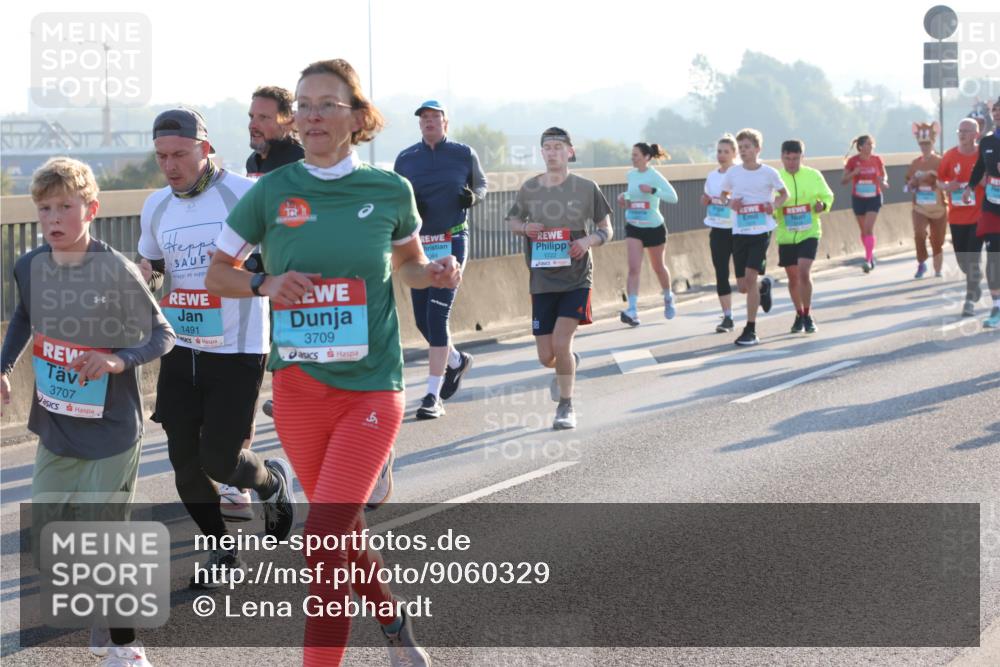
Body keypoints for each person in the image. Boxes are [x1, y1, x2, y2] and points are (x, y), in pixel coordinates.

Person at [205, 58, 449, 667]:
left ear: (357, 117)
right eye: (304, 105)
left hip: (370, 389)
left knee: (321, 538)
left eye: (327, 104)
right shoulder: (272, 191)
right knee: (340, 536)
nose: (313, 115)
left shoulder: (389, 190)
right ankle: (395, 627)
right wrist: (266, 284)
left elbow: (409, 266)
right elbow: (217, 275)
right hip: (299, 391)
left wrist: (435, 273)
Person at [1, 157, 176, 667]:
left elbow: (163, 335)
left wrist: (117, 359)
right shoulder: (30, 265)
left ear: (91, 210)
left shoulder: (116, 270)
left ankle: (125, 645)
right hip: (55, 426)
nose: (53, 218)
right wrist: (4, 364)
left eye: (66, 207)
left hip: (112, 431)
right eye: (44, 208)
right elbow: (24, 315)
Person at [137, 107, 297, 589]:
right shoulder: (156, 206)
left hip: (238, 346)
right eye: (162, 156)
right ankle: (221, 551)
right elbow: (153, 266)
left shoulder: (246, 195)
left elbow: (284, 258)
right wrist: (143, 282)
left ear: (206, 149)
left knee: (219, 459)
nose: (170, 166)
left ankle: (270, 481)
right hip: (180, 344)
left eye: (180, 154)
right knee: (183, 460)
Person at [506, 127, 613, 429]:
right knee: (546, 356)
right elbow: (513, 221)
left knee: (561, 341)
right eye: (547, 147)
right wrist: (525, 228)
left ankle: (566, 406)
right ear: (542, 153)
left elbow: (606, 228)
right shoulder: (529, 189)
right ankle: (567, 366)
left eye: (558, 146)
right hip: (541, 280)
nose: (552, 151)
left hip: (577, 278)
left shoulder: (586, 187)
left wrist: (586, 241)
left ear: (570, 151)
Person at [394, 99, 487, 419]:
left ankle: (432, 396)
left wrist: (473, 197)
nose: (429, 122)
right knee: (421, 319)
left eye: (435, 117)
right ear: (419, 124)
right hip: (419, 245)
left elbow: (482, 184)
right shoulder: (406, 159)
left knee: (437, 317)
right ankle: (457, 361)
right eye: (424, 118)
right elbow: (394, 196)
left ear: (446, 123)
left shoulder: (463, 153)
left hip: (452, 239)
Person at [719, 128, 789, 346]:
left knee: (749, 278)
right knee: (743, 286)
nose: (743, 151)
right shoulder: (733, 173)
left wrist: (773, 205)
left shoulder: (769, 173)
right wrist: (731, 203)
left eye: (747, 147)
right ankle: (763, 286)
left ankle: (750, 329)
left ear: (758, 149)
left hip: (761, 230)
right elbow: (722, 195)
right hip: (740, 231)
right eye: (740, 148)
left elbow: (784, 194)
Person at [774, 140, 834, 334]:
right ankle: (799, 313)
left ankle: (808, 314)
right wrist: (775, 211)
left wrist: (822, 206)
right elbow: (771, 205)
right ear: (782, 158)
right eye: (787, 159)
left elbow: (827, 196)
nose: (791, 163)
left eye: (795, 158)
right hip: (786, 234)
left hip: (809, 231)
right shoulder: (776, 178)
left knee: (803, 272)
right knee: (792, 278)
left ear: (802, 157)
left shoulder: (813, 175)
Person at [616, 142, 678, 327]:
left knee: (658, 267)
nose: (632, 158)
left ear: (646, 158)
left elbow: (673, 197)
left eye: (636, 155)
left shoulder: (654, 175)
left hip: (654, 226)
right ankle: (632, 310)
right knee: (634, 268)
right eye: (632, 154)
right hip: (634, 225)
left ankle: (668, 296)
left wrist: (652, 191)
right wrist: (623, 198)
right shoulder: (631, 174)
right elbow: (631, 196)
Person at [939, 118, 986, 317]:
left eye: (967, 131)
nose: (962, 134)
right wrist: (948, 186)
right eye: (960, 130)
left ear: (976, 134)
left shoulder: (983, 155)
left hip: (979, 216)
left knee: (972, 258)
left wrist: (982, 181)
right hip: (957, 216)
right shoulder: (950, 156)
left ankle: (969, 300)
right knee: (962, 261)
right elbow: (940, 181)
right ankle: (975, 281)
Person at [963, 97, 1000, 328]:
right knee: (994, 254)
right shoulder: (986, 141)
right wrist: (969, 187)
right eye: (995, 110)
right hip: (992, 204)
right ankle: (997, 307)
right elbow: (980, 167)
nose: (997, 113)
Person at [702, 134, 738, 333]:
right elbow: (709, 196)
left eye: (726, 152)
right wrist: (705, 200)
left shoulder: (739, 174)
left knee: (743, 277)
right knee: (721, 273)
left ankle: (761, 287)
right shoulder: (712, 175)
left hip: (739, 229)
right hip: (717, 229)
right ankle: (727, 317)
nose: (721, 155)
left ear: (734, 153)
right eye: (719, 151)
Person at [905, 122, 947, 278]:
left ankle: (937, 268)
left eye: (927, 144)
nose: (924, 147)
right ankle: (921, 263)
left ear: (933, 142)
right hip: (920, 206)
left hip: (938, 207)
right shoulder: (915, 163)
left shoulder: (940, 161)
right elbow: (908, 183)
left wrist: (931, 175)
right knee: (919, 233)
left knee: (937, 240)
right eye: (922, 144)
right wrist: (911, 184)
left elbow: (946, 178)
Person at [842, 135, 888, 273]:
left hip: (874, 197)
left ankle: (868, 259)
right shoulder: (853, 161)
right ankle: (870, 255)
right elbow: (843, 180)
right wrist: (853, 173)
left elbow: (884, 175)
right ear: (861, 146)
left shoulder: (877, 160)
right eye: (868, 144)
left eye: (872, 144)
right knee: (863, 230)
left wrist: (883, 181)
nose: (871, 147)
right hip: (859, 198)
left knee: (868, 228)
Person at [246, 85, 304, 178]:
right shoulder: (252, 162)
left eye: (263, 117)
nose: (252, 125)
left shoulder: (301, 163)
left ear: (287, 122)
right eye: (251, 117)